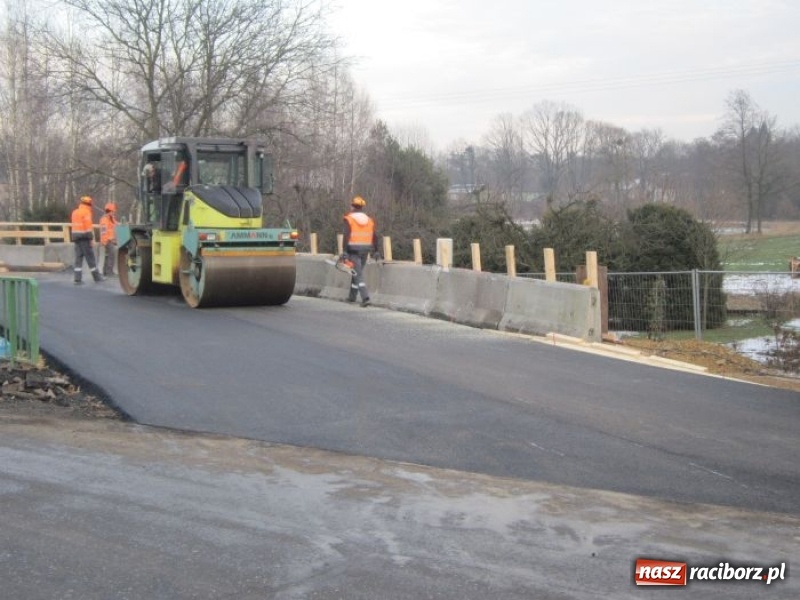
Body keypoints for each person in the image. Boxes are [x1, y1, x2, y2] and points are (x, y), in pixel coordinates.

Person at [342, 196, 380, 306]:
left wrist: (344, 251)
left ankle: (365, 298)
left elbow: (346, 236)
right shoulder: (369, 220)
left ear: (352, 206)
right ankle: (352, 297)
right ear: (362, 207)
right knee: (356, 273)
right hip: (365, 250)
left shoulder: (349, 219)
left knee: (357, 274)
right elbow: (375, 236)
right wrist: (376, 250)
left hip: (353, 250)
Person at [70, 195, 104, 284]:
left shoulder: (75, 212)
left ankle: (77, 279)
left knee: (78, 258)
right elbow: (88, 227)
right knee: (90, 258)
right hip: (84, 238)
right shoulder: (86, 212)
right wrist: (91, 239)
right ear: (89, 204)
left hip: (76, 238)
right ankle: (97, 277)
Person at [99, 202, 118, 276]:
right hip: (107, 240)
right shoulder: (104, 219)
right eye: (113, 211)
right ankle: (108, 272)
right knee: (111, 255)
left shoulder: (111, 218)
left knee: (109, 255)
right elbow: (103, 232)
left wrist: (124, 223)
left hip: (110, 240)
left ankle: (106, 271)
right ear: (109, 211)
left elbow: (116, 223)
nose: (114, 213)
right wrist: (104, 241)